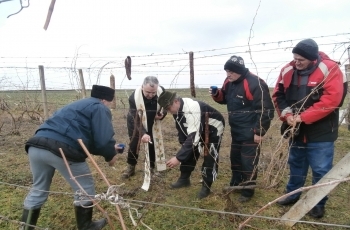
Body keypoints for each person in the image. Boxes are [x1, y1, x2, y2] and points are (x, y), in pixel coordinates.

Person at [21, 85, 121, 230]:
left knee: (38, 189)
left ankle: (25, 227)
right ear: (106, 100)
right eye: (110, 103)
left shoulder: (77, 105)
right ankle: (86, 226)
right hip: (62, 149)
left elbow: (81, 139)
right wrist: (110, 155)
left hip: (36, 145)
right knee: (85, 187)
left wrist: (110, 148)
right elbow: (102, 140)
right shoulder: (100, 107)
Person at [272, 38, 347, 218]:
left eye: (301, 59)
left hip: (321, 131)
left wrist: (303, 117)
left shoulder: (330, 69)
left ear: (312, 59)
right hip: (295, 130)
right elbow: (278, 95)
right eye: (295, 58)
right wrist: (288, 115)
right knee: (296, 163)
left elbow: (332, 100)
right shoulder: (287, 70)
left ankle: (317, 202)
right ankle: (292, 194)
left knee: (321, 169)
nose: (296, 62)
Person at [210, 55, 274, 202]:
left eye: (231, 72)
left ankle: (248, 190)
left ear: (239, 71)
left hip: (251, 131)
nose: (228, 74)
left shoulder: (255, 83)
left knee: (248, 161)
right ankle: (236, 183)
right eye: (227, 71)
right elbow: (224, 98)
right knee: (235, 158)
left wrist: (259, 131)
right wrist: (217, 94)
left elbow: (266, 110)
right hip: (236, 129)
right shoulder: (229, 81)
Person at [157, 91, 225, 199]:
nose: (168, 111)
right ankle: (184, 179)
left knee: (210, 155)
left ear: (175, 101)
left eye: (169, 108)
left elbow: (193, 137)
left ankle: (206, 186)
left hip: (213, 127)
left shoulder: (191, 108)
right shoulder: (177, 109)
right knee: (190, 151)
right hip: (198, 127)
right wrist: (184, 146)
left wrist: (178, 157)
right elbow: (182, 128)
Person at [122, 76, 166, 180]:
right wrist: (143, 133)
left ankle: (151, 168)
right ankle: (131, 167)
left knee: (152, 143)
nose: (151, 95)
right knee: (134, 144)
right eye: (148, 92)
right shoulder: (134, 98)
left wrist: (162, 114)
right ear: (142, 87)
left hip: (152, 121)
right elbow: (135, 117)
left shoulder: (162, 91)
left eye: (153, 93)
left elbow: (166, 105)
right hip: (136, 121)